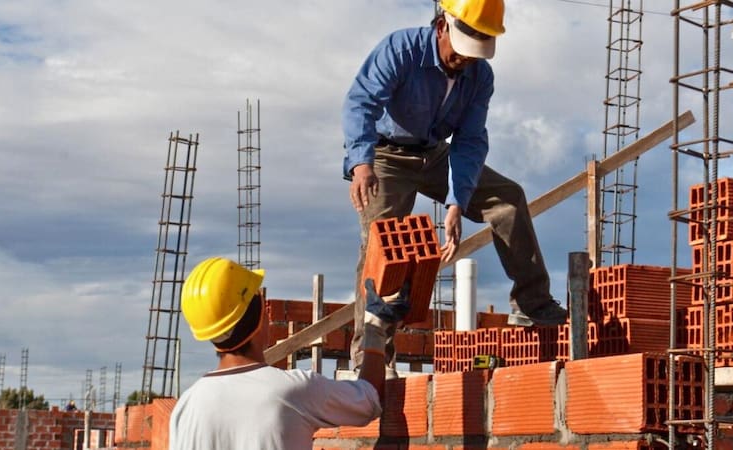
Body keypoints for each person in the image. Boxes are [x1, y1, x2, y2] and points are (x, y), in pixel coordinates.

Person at [342, 0, 568, 372]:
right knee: (383, 245)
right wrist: (362, 162)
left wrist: (456, 203)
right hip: (385, 157)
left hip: (434, 154)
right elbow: (361, 102)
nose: (466, 59)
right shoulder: (401, 50)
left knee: (507, 199)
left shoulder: (480, 77)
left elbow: (470, 141)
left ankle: (533, 304)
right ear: (443, 26)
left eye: (477, 51)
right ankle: (370, 355)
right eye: (464, 48)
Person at [169, 257, 410, 449]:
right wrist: (375, 328)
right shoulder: (291, 391)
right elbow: (368, 400)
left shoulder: (185, 407)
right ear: (260, 317)